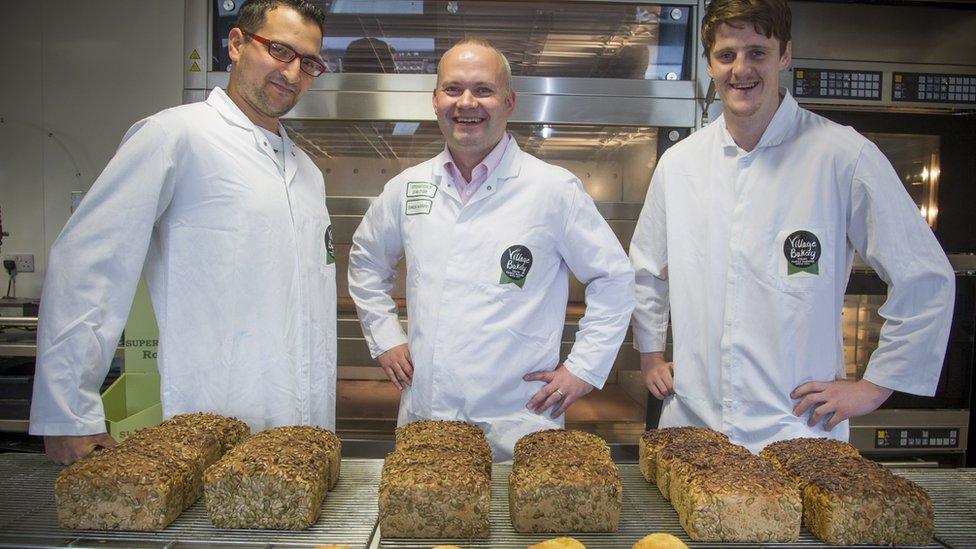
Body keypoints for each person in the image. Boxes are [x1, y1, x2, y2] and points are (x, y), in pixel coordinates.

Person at [629, 0, 955, 453]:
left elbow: (925, 276)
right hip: (694, 428)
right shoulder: (680, 164)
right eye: (727, 55)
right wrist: (650, 355)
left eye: (757, 52)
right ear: (709, 65)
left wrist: (875, 386)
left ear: (785, 55)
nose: (741, 69)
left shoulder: (843, 156)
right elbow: (646, 269)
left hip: (798, 430)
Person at [29, 0, 337, 465]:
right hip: (214, 425)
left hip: (305, 432)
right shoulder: (174, 137)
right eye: (279, 50)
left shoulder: (307, 172)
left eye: (308, 62)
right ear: (236, 44)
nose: (293, 73)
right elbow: (89, 265)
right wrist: (67, 413)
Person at [348, 39, 635, 461]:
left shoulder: (553, 190)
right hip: (429, 410)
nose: (467, 102)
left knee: (521, 521)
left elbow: (613, 278)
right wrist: (386, 338)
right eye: (452, 89)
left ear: (509, 101)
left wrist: (582, 370)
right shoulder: (408, 188)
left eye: (483, 90)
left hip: (518, 418)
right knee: (428, 517)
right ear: (435, 100)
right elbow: (366, 262)